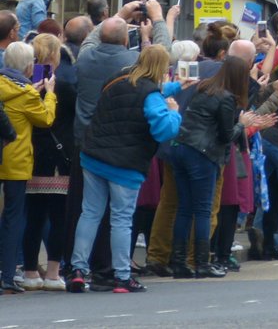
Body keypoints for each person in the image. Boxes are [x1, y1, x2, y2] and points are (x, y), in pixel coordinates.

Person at [68, 44, 182, 294]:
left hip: (94, 154)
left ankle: (77, 269)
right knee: (121, 219)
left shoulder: (117, 79)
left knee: (90, 213)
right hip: (126, 163)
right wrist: (174, 112)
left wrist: (177, 87)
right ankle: (122, 276)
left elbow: (138, 94)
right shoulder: (152, 95)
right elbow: (164, 130)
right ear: (162, 68)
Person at [168, 56, 252, 278]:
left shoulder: (205, 88)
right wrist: (242, 124)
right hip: (202, 153)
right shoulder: (227, 98)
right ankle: (202, 262)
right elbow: (226, 136)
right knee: (203, 210)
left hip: (181, 146)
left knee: (184, 208)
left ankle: (179, 262)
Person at [0, 41, 57, 293]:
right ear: (27, 66)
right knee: (13, 218)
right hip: (16, 160)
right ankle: (7, 274)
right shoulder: (27, 95)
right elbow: (46, 118)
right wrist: (50, 93)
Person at [22, 33, 75, 291]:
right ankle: (53, 272)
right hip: (58, 158)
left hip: (32, 155)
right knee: (58, 217)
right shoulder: (63, 85)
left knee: (33, 218)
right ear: (55, 54)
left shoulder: (26, 85)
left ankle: (30, 271)